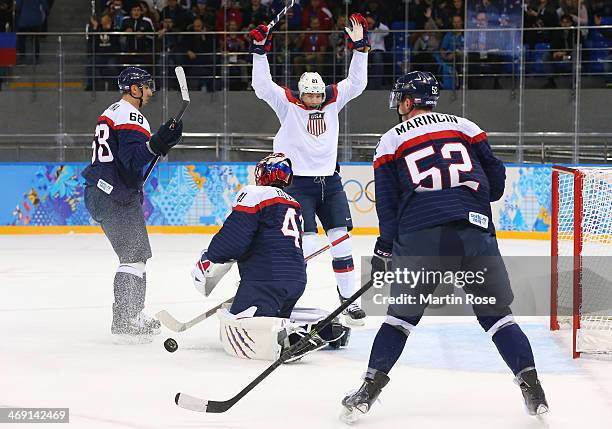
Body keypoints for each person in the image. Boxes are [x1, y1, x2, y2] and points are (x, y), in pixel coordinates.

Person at [340, 72, 548, 420]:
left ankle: (367, 391)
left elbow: (387, 205)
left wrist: (383, 250)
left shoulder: (390, 140)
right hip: (474, 232)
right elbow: (496, 181)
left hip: (421, 236)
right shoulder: (466, 126)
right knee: (498, 317)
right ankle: (533, 387)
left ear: (407, 102)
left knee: (399, 321)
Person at [248, 14, 370, 325]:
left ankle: (348, 299)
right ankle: (280, 295)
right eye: (309, 95)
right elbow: (261, 85)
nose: (315, 99)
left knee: (341, 240)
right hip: (297, 186)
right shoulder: (287, 104)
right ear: (301, 93)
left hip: (330, 184)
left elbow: (357, 83)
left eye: (318, 95)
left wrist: (360, 48)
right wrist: (259, 51)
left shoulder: (332, 103)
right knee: (305, 244)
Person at [191, 153, 350, 361]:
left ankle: (292, 338)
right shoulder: (294, 203)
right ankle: (325, 327)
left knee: (237, 319)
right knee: (275, 313)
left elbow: (234, 239)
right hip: (296, 280)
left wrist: (209, 258)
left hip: (265, 280)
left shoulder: (254, 194)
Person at [81, 67, 183, 344]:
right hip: (114, 196)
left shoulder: (111, 111)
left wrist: (160, 143)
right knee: (134, 257)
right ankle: (127, 318)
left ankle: (129, 315)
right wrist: (158, 142)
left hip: (101, 192)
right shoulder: (131, 114)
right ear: (134, 89)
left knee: (134, 255)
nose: (150, 92)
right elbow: (132, 159)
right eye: (146, 86)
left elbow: (130, 156)